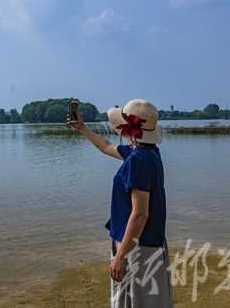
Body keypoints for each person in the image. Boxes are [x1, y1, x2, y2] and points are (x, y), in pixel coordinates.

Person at [67, 99, 172, 308]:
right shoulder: (145, 152)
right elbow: (105, 146)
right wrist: (83, 129)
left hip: (137, 248)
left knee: (135, 302)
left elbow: (140, 214)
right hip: (144, 243)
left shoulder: (138, 160)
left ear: (128, 128)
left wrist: (121, 256)